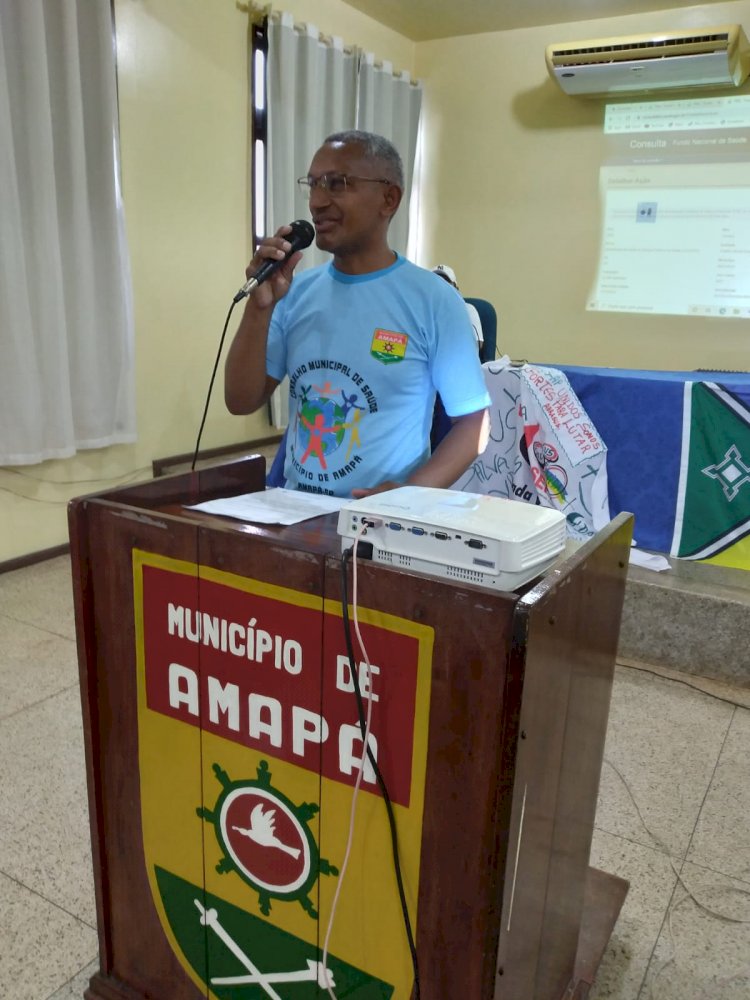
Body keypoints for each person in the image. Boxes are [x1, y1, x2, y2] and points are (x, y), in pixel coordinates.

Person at [224, 129, 490, 498]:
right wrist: (259, 308)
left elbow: (473, 425)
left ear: (388, 199)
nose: (317, 202)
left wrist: (407, 495)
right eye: (313, 184)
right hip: (297, 512)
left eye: (337, 184)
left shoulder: (434, 300)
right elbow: (240, 401)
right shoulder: (295, 293)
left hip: (382, 526)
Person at [431, 264, 484, 354]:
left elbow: (475, 347)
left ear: (456, 289)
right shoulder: (418, 312)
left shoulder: (468, 310)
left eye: (445, 284)